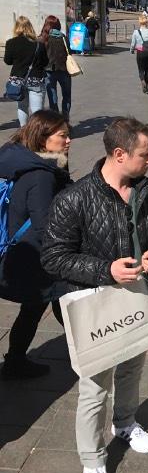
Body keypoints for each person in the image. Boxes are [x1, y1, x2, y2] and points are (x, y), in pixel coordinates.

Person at [41, 117, 148, 473]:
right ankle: (92, 460)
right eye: (144, 154)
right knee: (95, 387)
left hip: (138, 298)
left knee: (132, 368)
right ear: (119, 154)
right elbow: (53, 257)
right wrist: (106, 271)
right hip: (95, 306)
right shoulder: (73, 199)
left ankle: (126, 423)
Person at [0, 111, 71, 380]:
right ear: (43, 139)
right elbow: (44, 225)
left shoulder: (26, 161)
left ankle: (16, 361)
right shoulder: (41, 176)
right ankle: (93, 352)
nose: (68, 141)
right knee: (66, 300)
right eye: (62, 136)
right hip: (36, 257)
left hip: (24, 253)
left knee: (35, 307)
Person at [4, 16, 49, 127]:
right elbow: (45, 62)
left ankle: (23, 131)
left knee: (22, 106)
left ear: (16, 28)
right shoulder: (39, 44)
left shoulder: (11, 42)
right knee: (37, 110)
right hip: (35, 79)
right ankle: (36, 134)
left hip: (18, 80)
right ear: (30, 27)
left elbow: (7, 61)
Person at [40, 15, 72, 122]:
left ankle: (56, 121)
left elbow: (40, 56)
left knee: (52, 98)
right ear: (58, 25)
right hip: (64, 70)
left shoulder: (44, 38)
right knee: (66, 96)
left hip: (49, 71)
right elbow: (69, 53)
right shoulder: (64, 37)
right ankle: (65, 119)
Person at [129, 15, 148, 94]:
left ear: (140, 22)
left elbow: (133, 44)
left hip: (140, 52)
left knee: (141, 70)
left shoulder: (136, 32)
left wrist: (131, 50)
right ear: (147, 22)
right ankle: (146, 87)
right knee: (147, 70)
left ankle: (142, 81)